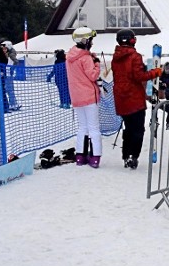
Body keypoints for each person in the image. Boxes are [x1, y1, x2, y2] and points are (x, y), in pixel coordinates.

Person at [112, 28, 162, 170]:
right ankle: (134, 156)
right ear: (132, 40)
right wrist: (156, 72)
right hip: (134, 98)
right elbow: (139, 76)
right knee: (138, 130)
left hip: (121, 98)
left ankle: (126, 155)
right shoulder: (135, 56)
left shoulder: (116, 58)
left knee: (128, 128)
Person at [66, 27, 103, 168]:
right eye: (90, 40)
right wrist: (97, 64)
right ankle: (95, 157)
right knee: (94, 128)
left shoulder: (69, 57)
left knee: (82, 127)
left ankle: (80, 156)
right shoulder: (86, 58)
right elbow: (93, 75)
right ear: (85, 40)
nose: (92, 43)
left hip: (76, 97)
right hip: (88, 96)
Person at [0, 40, 20, 111]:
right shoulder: (8, 54)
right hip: (6, 73)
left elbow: (16, 62)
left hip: (8, 74)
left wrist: (12, 69)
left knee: (9, 89)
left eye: (4, 48)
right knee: (8, 89)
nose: (3, 49)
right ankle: (13, 103)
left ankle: (13, 104)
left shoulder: (11, 54)